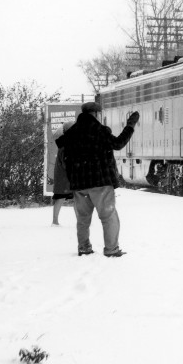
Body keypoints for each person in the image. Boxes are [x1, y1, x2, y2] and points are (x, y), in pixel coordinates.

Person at [55, 101, 139, 256]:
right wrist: (130, 126)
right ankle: (111, 249)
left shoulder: (71, 132)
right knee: (108, 216)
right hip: (100, 182)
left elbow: (61, 147)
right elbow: (118, 143)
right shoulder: (99, 130)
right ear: (96, 114)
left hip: (79, 184)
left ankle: (84, 248)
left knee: (82, 219)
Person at [51, 124, 73, 225]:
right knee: (63, 198)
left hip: (63, 176)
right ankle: (55, 221)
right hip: (65, 177)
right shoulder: (67, 145)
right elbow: (67, 162)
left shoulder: (64, 142)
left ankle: (55, 221)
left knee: (61, 198)